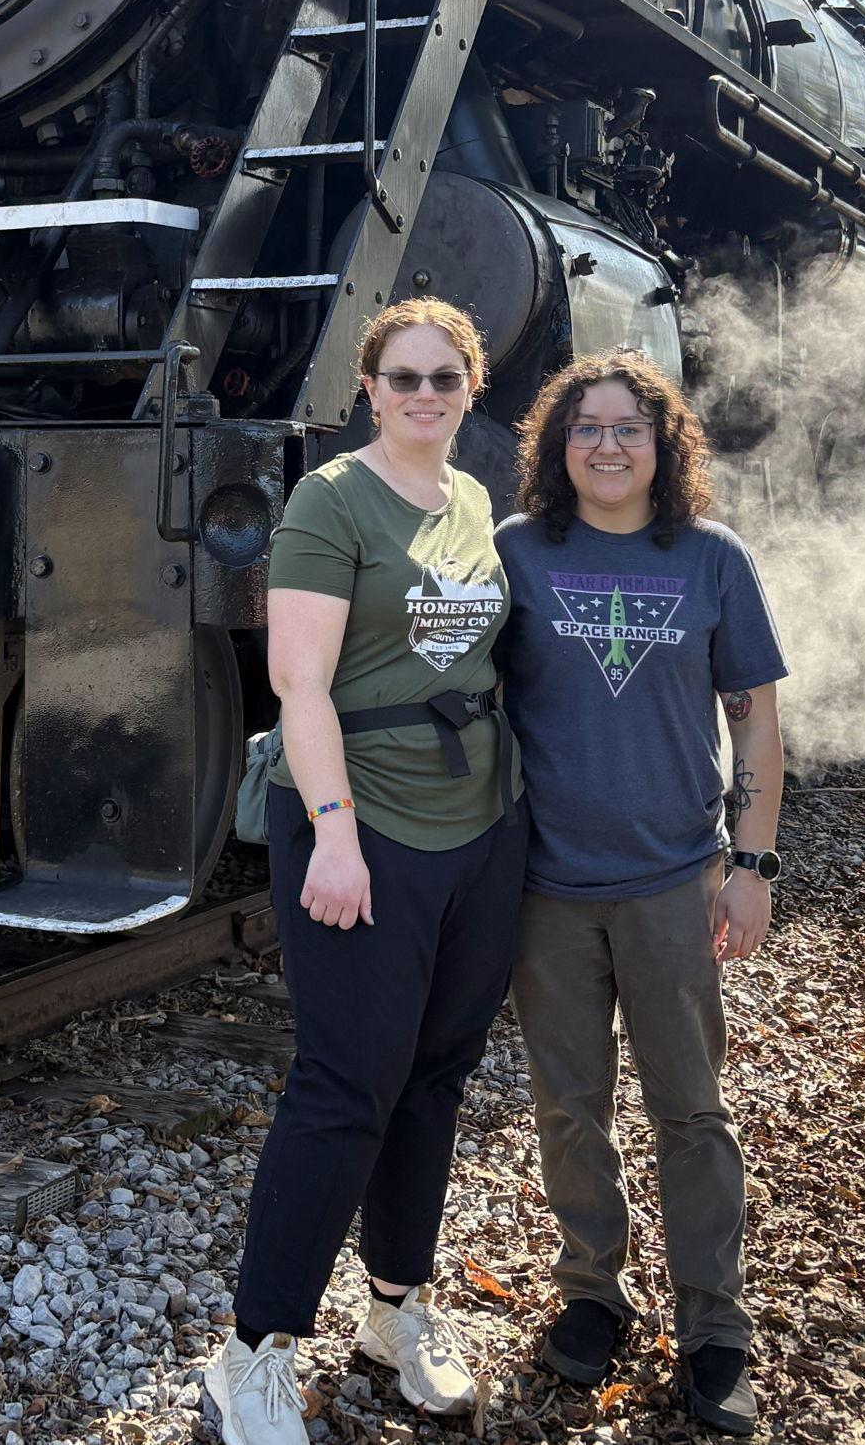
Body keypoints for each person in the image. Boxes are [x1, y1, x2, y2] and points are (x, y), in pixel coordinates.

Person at [204, 300, 526, 1445]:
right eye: (403, 377)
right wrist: (331, 832)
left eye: (444, 377)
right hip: (363, 823)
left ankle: (395, 1308)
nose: (423, 394)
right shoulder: (329, 499)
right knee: (346, 1082)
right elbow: (299, 685)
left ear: (469, 387)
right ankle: (251, 1352)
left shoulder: (473, 499)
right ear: (370, 387)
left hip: (478, 825)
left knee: (434, 1071)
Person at [495, 349, 788, 1438]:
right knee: (568, 1108)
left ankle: (714, 1329)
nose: (606, 445)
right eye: (585, 429)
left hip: (672, 882)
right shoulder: (516, 554)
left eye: (628, 427)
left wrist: (750, 865)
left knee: (690, 1112)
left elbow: (753, 716)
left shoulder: (710, 559)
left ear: (662, 446)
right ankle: (590, 1294)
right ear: (554, 448)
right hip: (546, 889)